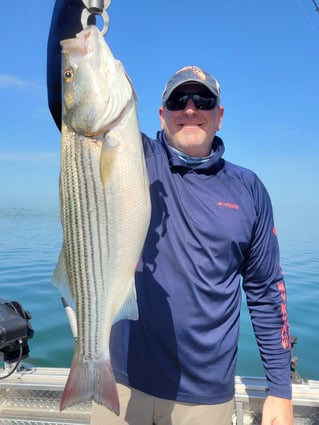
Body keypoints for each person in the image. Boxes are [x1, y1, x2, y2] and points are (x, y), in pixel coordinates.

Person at [47, 1, 294, 424]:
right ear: (161, 114)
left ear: (220, 115)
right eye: (179, 100)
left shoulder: (249, 188)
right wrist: (74, 6)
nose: (191, 109)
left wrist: (280, 390)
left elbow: (267, 291)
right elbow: (62, 96)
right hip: (121, 384)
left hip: (205, 397)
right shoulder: (138, 156)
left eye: (203, 99)